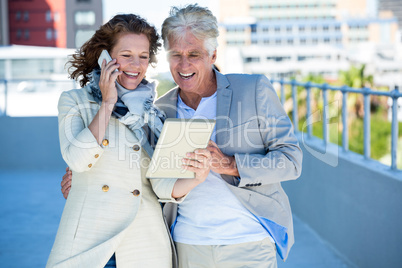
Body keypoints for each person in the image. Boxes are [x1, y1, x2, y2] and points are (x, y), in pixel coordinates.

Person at [62, 4, 303, 268]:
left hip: (249, 240)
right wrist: (89, 182)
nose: (184, 64)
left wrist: (231, 164)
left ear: (212, 55)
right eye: (176, 54)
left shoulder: (253, 90)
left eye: (194, 54)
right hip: (187, 244)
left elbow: (291, 160)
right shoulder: (158, 110)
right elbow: (152, 176)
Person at [48, 13, 212, 268]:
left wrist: (195, 178)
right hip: (90, 243)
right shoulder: (75, 102)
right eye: (126, 56)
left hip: (142, 245)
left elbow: (161, 185)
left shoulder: (154, 114)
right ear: (106, 58)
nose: (136, 65)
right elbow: (78, 160)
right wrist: (108, 102)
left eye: (144, 56)